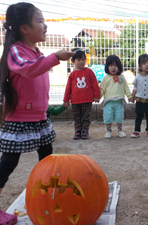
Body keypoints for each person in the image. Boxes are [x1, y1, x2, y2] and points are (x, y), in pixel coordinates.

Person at [0, 3, 74, 224]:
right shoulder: (15, 52)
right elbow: (30, 69)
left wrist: (49, 58)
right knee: (8, 163)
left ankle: (50, 198)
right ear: (24, 27)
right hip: (18, 121)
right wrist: (55, 57)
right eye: (40, 21)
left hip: (40, 119)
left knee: (47, 160)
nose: (45, 25)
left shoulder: (36, 51)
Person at [63, 49, 100, 140]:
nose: (81, 62)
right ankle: (78, 131)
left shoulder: (89, 72)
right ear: (73, 61)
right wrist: (66, 100)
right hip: (75, 101)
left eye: (83, 59)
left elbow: (94, 84)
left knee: (86, 116)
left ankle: (85, 131)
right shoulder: (72, 74)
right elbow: (68, 88)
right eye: (78, 60)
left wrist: (97, 96)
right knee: (76, 117)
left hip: (87, 99)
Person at [100, 55, 134, 138]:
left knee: (119, 116)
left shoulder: (122, 77)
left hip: (119, 101)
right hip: (108, 102)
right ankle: (108, 131)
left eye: (115, 66)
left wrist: (130, 96)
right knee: (107, 116)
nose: (113, 68)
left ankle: (120, 130)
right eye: (111, 65)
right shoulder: (105, 78)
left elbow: (126, 88)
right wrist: (97, 97)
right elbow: (102, 89)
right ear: (107, 67)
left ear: (119, 67)